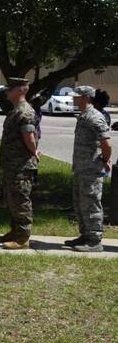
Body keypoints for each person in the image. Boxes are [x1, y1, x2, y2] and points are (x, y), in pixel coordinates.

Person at [0, 78, 40, 250]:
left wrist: (34, 151)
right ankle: (14, 231)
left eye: (10, 89)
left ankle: (22, 238)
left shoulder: (25, 112)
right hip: (12, 164)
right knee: (12, 199)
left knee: (20, 200)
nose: (7, 92)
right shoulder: (16, 110)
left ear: (21, 90)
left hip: (21, 165)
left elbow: (29, 137)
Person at [66, 86, 112, 252]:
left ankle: (94, 240)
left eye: (76, 97)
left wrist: (105, 160)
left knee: (91, 203)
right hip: (81, 169)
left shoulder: (94, 117)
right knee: (80, 203)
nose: (73, 99)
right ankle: (85, 235)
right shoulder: (84, 116)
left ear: (85, 98)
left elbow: (106, 143)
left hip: (91, 170)